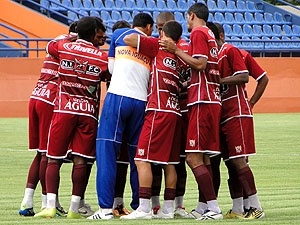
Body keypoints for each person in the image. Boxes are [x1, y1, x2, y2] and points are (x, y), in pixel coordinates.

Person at [34, 16, 109, 219]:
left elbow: (50, 46)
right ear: (94, 34)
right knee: (81, 160)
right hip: (87, 113)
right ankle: (75, 209)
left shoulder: (64, 47)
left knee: (53, 159)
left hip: (64, 109)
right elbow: (108, 75)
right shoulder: (101, 57)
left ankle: (50, 205)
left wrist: (72, 37)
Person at [159, 3, 223, 220]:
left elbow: (200, 65)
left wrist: (175, 50)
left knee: (193, 158)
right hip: (211, 98)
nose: (187, 22)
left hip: (202, 100)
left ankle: (214, 208)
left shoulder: (197, 32)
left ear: (192, 15)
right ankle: (206, 207)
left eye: (187, 18)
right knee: (203, 158)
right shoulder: (209, 34)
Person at [87, 13, 154, 220]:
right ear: (149, 27)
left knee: (107, 151)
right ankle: (139, 206)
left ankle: (106, 209)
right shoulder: (153, 44)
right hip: (141, 101)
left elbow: (111, 69)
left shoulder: (118, 33)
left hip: (118, 96)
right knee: (137, 157)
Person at [120, 20, 184, 220]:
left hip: (158, 109)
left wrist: (155, 40)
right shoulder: (179, 56)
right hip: (175, 111)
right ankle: (168, 209)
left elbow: (127, 38)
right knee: (170, 162)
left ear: (164, 34)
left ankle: (145, 208)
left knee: (141, 159)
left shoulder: (158, 46)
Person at [18, 22, 78, 217]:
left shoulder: (58, 41)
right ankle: (47, 202)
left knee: (41, 153)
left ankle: (27, 201)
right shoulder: (71, 45)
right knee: (50, 154)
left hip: (37, 94)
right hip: (51, 99)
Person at [209, 22, 267, 219]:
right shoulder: (213, 56)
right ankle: (238, 208)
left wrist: (250, 103)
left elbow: (247, 77)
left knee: (239, 160)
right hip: (223, 115)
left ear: (219, 36)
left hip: (236, 113)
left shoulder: (230, 51)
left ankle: (256, 207)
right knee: (230, 162)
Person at [149, 11, 190, 218]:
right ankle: (157, 205)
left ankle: (178, 205)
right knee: (156, 161)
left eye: (162, 28)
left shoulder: (183, 48)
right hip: (165, 106)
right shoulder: (156, 47)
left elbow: (193, 75)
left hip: (181, 110)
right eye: (157, 27)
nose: (159, 31)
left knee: (178, 161)